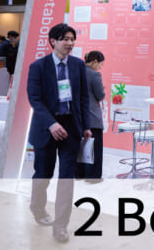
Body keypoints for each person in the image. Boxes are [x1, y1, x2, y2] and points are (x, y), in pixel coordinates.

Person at [27, 23, 92, 244]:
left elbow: (83, 98)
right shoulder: (38, 67)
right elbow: (35, 99)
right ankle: (37, 207)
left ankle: (61, 225)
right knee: (43, 174)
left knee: (66, 177)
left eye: (72, 39)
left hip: (71, 128)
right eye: (65, 39)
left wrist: (86, 125)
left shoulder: (78, 65)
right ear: (53, 41)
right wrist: (52, 124)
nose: (70, 43)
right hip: (47, 128)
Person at [76, 51, 105, 182]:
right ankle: (93, 177)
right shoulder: (94, 74)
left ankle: (79, 174)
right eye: (100, 64)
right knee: (95, 148)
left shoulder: (77, 71)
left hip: (78, 117)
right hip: (92, 117)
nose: (100, 67)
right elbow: (100, 95)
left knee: (80, 147)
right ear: (94, 62)